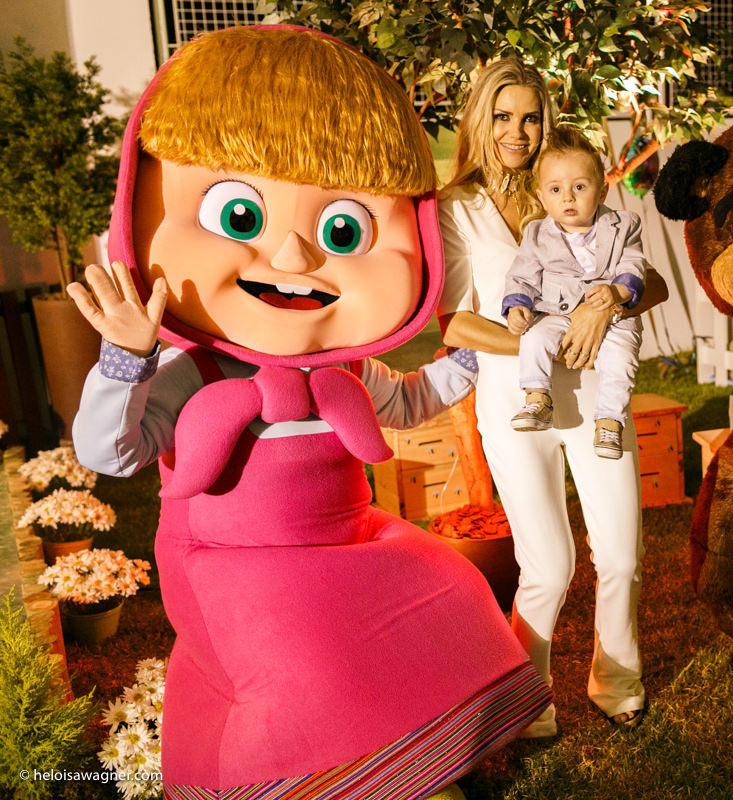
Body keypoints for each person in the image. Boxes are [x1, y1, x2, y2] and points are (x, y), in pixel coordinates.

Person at [69, 27, 550, 800]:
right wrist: (125, 360)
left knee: (449, 588)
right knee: (300, 655)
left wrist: (473, 356)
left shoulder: (345, 367)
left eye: (342, 230)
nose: (293, 258)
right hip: (237, 565)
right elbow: (108, 451)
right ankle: (296, 778)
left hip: (348, 542)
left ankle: (404, 756)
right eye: (239, 216)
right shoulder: (194, 375)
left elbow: (408, 401)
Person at [438, 57, 669, 734]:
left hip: (597, 396)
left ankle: (617, 683)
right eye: (503, 116)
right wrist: (547, 341)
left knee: (621, 554)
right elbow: (453, 323)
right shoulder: (456, 208)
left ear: (548, 122)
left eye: (531, 117)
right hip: (516, 402)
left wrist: (605, 305)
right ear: (479, 121)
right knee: (548, 565)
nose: (518, 131)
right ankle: (526, 698)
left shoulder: (568, 187)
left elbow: (650, 282)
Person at [502, 127, 645, 459]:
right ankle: (537, 398)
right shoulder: (536, 234)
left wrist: (618, 291)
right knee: (534, 337)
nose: (568, 197)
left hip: (614, 317)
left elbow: (634, 263)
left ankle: (609, 421)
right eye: (556, 189)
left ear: (602, 190)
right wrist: (517, 305)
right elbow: (522, 274)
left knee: (621, 360)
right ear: (542, 197)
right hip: (556, 310)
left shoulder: (624, 225)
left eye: (579, 187)